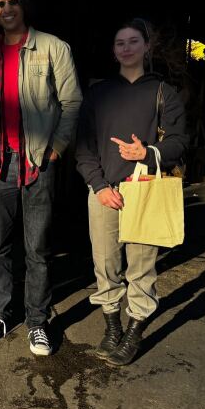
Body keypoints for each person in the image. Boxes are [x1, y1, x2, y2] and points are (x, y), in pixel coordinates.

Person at [0, 0, 82, 357]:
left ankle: (37, 321)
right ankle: (2, 313)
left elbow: (72, 102)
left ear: (24, 4)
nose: (6, 10)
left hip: (39, 160)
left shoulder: (52, 48)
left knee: (36, 247)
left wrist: (56, 149)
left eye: (12, 2)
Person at [75, 19, 187, 366]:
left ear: (146, 46)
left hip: (144, 191)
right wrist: (99, 186)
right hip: (104, 191)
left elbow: (180, 142)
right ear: (114, 50)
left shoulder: (162, 92)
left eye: (133, 41)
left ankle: (135, 330)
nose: (126, 48)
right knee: (105, 265)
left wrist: (149, 152)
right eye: (120, 42)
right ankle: (112, 328)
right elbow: (83, 148)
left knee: (141, 267)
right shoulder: (99, 93)